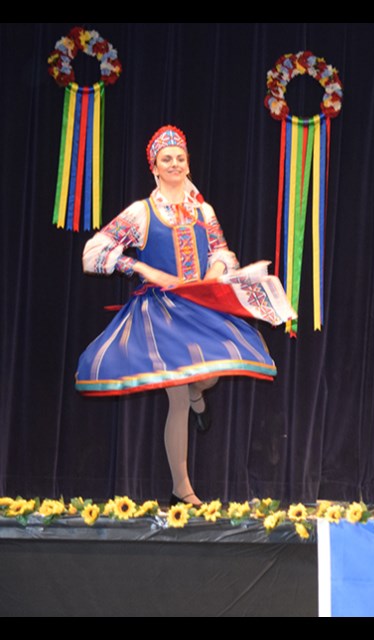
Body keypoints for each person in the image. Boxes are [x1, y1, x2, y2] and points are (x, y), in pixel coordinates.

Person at [76, 125, 281, 508]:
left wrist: (214, 274)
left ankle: (198, 395)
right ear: (154, 167)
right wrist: (143, 269)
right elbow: (94, 252)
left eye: (180, 158)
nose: (174, 164)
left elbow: (222, 251)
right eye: (166, 159)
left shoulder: (203, 210)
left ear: (188, 164)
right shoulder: (142, 212)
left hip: (199, 303)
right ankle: (182, 488)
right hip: (162, 312)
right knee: (177, 399)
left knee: (211, 374)